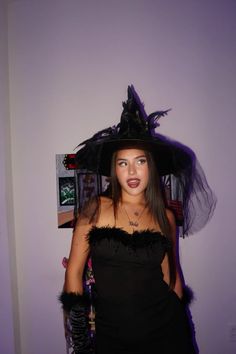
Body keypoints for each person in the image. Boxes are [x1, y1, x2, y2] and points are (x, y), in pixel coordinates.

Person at [59, 86, 216, 354]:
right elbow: (73, 273)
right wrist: (80, 340)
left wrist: (183, 324)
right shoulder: (95, 209)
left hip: (168, 333)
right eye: (123, 163)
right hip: (113, 337)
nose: (132, 171)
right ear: (114, 170)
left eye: (140, 161)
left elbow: (172, 276)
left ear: (151, 166)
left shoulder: (164, 216)